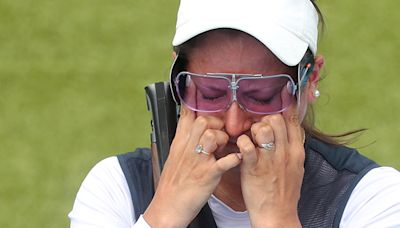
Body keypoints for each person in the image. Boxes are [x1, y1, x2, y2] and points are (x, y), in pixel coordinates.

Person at [69, 0, 400, 227]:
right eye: (210, 93)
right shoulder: (116, 188)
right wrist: (164, 216)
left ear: (310, 78)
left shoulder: (374, 198)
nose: (233, 123)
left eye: (262, 95)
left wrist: (277, 219)